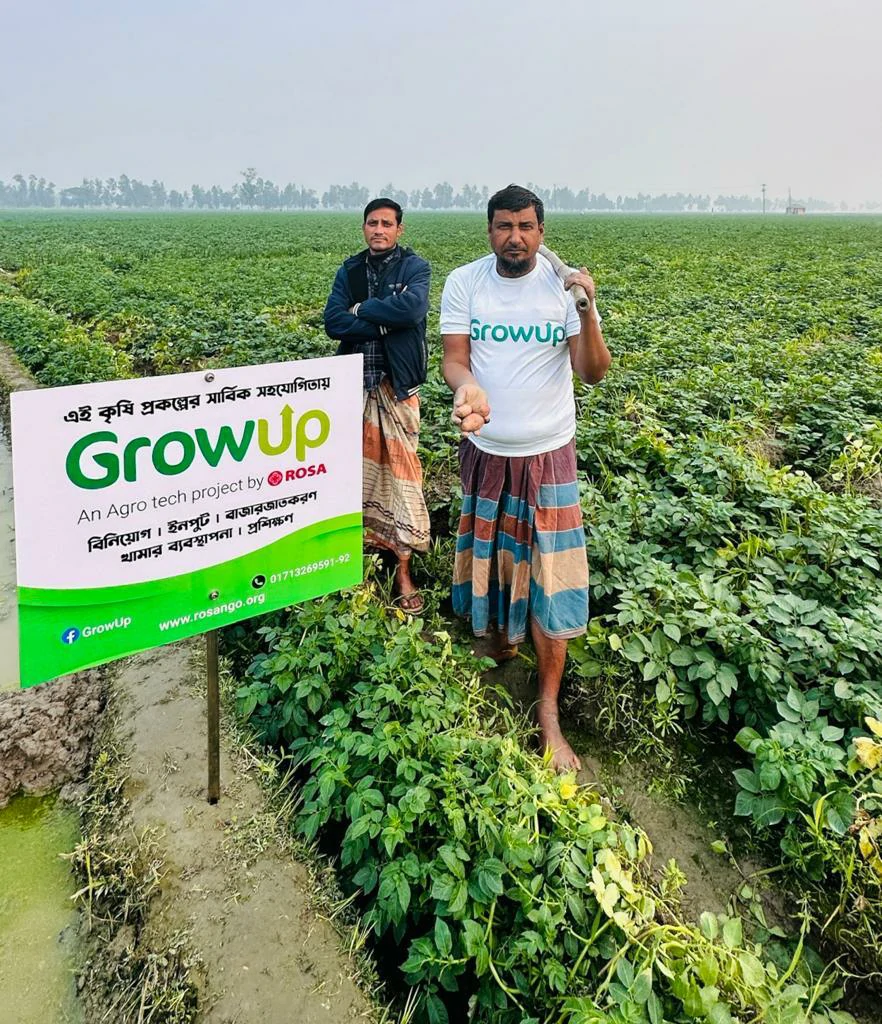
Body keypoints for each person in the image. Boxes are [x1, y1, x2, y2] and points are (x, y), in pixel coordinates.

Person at [440, 184, 611, 771]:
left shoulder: (564, 289)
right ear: (489, 230)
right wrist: (468, 387)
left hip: (549, 456)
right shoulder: (465, 282)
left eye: (526, 227)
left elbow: (592, 372)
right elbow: (455, 357)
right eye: (504, 226)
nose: (515, 237)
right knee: (495, 557)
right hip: (486, 452)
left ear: (541, 232)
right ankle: (500, 641)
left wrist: (587, 310)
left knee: (552, 577)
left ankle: (549, 713)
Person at [324, 198, 431, 612]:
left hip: (396, 388)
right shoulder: (350, 270)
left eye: (387, 223)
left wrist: (362, 311)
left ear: (399, 229)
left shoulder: (414, 268)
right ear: (364, 227)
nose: (379, 230)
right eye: (373, 223)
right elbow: (334, 321)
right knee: (353, 478)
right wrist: (387, 320)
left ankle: (402, 570)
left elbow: (413, 309)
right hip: (354, 387)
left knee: (402, 480)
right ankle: (358, 563)